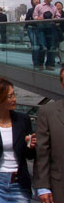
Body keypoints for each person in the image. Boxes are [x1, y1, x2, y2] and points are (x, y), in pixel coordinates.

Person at [33, 67, 64, 203]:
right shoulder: (48, 112)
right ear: (62, 84)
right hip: (59, 187)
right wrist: (43, 186)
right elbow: (42, 152)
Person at [33, 0, 61, 71]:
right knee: (42, 46)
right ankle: (40, 63)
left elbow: (58, 16)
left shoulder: (54, 7)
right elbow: (34, 16)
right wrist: (38, 18)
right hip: (41, 27)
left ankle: (50, 64)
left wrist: (55, 18)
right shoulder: (39, 6)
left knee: (51, 46)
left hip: (51, 27)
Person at [25, 0, 41, 67]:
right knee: (35, 45)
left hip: (40, 28)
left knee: (40, 45)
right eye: (35, 0)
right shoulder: (30, 10)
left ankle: (40, 61)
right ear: (32, 2)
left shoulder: (42, 9)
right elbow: (27, 20)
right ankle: (36, 62)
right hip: (32, 28)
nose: (36, 1)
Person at [54, 1, 64, 67]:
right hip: (56, 33)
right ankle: (62, 60)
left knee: (62, 47)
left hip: (63, 32)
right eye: (57, 5)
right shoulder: (53, 15)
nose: (58, 7)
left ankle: (63, 61)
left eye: (60, 5)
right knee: (58, 48)